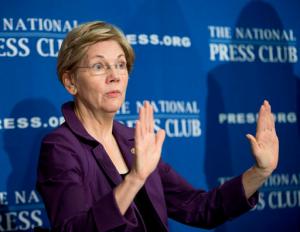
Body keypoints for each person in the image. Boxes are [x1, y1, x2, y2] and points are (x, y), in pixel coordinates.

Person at [36, 21, 279, 232]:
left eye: (121, 65)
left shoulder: (132, 140)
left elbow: (198, 208)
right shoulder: (61, 147)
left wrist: (260, 172)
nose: (115, 76)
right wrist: (135, 179)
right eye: (99, 66)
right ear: (70, 82)